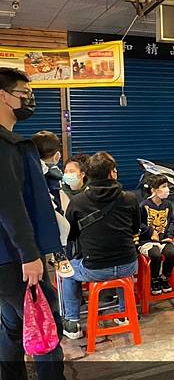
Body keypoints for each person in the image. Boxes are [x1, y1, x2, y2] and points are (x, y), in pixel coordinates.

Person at [0, 67, 66, 380]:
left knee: (13, 324)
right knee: (46, 324)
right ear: (2, 96)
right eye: (24, 95)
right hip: (13, 258)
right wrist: (29, 254)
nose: (29, 101)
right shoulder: (3, 146)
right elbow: (9, 203)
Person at [62, 152, 140, 339]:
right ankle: (124, 315)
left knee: (66, 273)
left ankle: (72, 324)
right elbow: (135, 228)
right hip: (129, 264)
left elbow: (70, 235)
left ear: (87, 175)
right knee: (122, 269)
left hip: (94, 269)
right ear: (113, 173)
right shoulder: (129, 198)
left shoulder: (77, 201)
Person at [31, 130, 74, 278]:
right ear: (55, 153)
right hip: (45, 207)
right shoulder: (46, 170)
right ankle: (59, 253)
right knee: (64, 226)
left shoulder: (44, 168)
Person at [139, 174, 174, 296]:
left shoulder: (168, 205)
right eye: (164, 186)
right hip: (147, 241)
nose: (167, 189)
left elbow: (171, 221)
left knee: (171, 253)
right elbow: (138, 224)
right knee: (155, 255)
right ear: (154, 190)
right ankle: (154, 279)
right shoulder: (143, 205)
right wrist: (151, 232)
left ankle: (165, 277)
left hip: (164, 239)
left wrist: (169, 236)